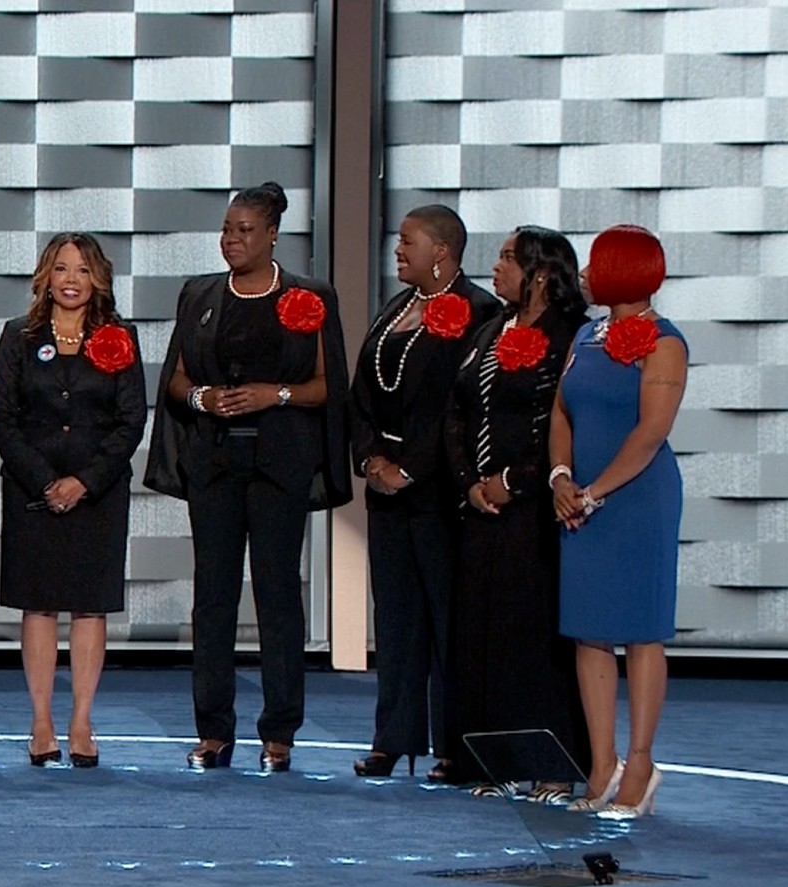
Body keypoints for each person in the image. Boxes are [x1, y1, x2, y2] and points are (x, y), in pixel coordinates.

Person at [144, 182, 352, 772]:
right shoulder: (202, 294)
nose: (231, 240)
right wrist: (205, 398)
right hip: (214, 462)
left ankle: (279, 732)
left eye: (244, 230)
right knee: (213, 597)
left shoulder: (309, 297)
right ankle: (213, 730)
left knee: (277, 595)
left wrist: (273, 394)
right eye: (227, 229)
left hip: (278, 465)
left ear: (272, 235)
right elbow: (178, 379)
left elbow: (325, 386)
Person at [350, 204, 501, 781]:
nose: (397, 249)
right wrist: (370, 459)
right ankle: (394, 738)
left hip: (439, 494)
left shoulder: (480, 314)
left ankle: (452, 745)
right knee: (396, 620)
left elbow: (459, 410)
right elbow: (363, 393)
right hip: (386, 491)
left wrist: (410, 467)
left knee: (445, 622)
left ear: (441, 250)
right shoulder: (396, 310)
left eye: (407, 240)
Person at [442, 226, 590, 799]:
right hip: (481, 510)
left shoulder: (570, 337)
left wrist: (513, 482)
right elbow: (458, 412)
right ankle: (494, 760)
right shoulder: (488, 332)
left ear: (543, 274)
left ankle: (553, 763)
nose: (496, 268)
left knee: (534, 637)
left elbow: (566, 423)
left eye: (508, 258)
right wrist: (469, 484)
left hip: (535, 513)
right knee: (484, 633)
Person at [0, 233, 147, 768]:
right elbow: (3, 417)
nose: (72, 280)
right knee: (38, 603)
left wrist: (85, 481)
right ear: (45, 277)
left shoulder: (119, 337)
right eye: (62, 269)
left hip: (97, 493)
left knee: (89, 604)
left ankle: (81, 721)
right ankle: (41, 723)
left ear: (98, 278)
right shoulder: (18, 336)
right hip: (32, 491)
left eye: (83, 270)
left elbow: (131, 420)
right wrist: (43, 481)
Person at [550, 224, 686, 819]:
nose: (584, 273)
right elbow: (562, 409)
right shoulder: (587, 335)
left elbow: (652, 431)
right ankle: (602, 764)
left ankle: (642, 761)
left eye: (595, 263)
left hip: (636, 500)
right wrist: (560, 477)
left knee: (640, 630)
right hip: (579, 496)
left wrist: (595, 492)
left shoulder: (664, 341)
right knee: (589, 629)